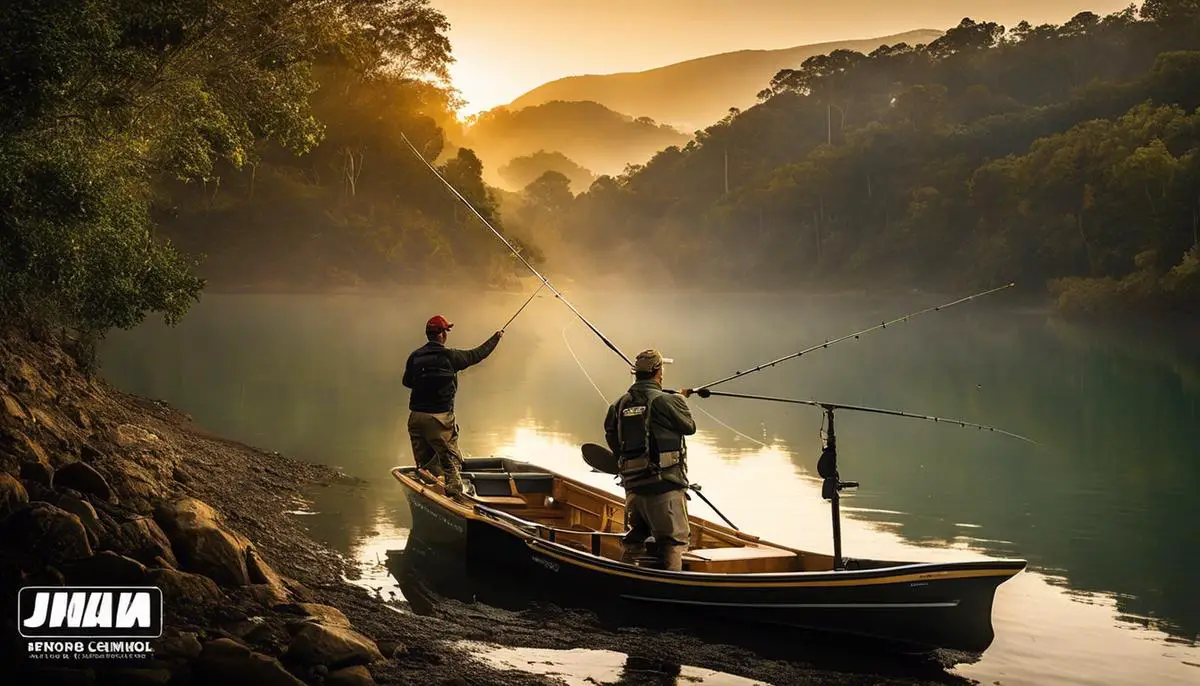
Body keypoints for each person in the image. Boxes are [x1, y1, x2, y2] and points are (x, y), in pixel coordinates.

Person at [603, 349, 696, 571]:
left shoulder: (618, 404)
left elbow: (610, 435)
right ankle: (673, 592)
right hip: (664, 489)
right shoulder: (668, 401)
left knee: (635, 539)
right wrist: (680, 399)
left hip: (633, 488)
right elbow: (689, 427)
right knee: (674, 542)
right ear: (658, 372)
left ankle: (625, 580)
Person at [403, 315, 503, 498]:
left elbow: (407, 382)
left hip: (416, 418)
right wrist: (496, 338)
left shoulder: (415, 356)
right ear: (442, 335)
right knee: (451, 461)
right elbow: (477, 354)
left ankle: (430, 496)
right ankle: (455, 497)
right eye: (446, 331)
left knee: (425, 464)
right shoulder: (451, 357)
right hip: (439, 419)